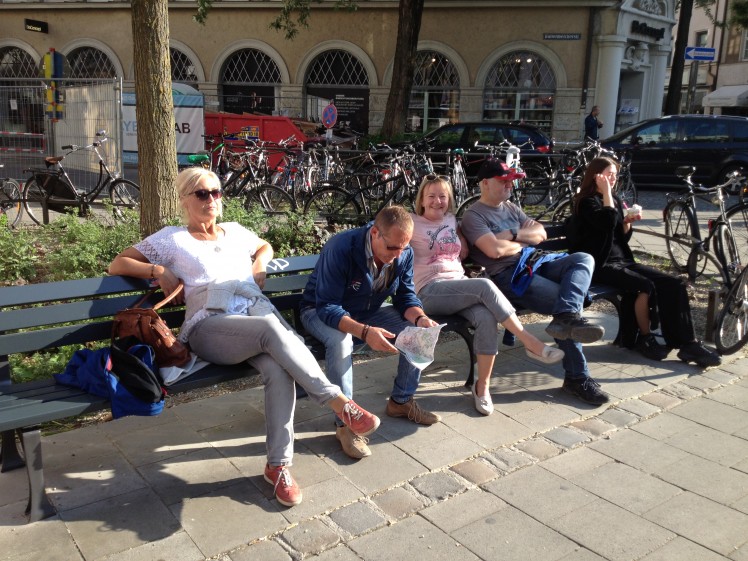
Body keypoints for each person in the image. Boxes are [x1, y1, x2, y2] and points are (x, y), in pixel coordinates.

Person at [108, 168, 380, 508]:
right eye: (202, 194)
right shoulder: (173, 238)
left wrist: (260, 264)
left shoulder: (235, 231)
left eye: (216, 192)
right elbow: (118, 263)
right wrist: (159, 269)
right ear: (185, 200)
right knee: (270, 330)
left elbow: (264, 246)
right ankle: (338, 402)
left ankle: (277, 466)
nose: (211, 199)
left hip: (254, 319)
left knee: (279, 371)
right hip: (210, 327)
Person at [410, 175, 564, 416]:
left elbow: (464, 248)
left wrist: (461, 239)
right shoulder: (411, 222)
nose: (437, 201)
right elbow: (386, 234)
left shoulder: (451, 220)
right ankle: (530, 342)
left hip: (459, 287)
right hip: (430, 290)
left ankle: (481, 387)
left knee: (486, 317)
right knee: (484, 286)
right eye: (431, 196)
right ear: (421, 199)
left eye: (442, 196)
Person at [460, 158, 610, 406]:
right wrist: (522, 240)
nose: (510, 185)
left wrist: (512, 235)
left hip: (536, 262)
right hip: (510, 276)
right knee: (564, 303)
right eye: (503, 180)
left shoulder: (510, 207)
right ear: (485, 183)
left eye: (511, 181)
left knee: (583, 259)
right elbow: (494, 250)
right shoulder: (473, 216)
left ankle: (567, 319)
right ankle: (577, 377)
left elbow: (540, 233)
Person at [300, 206, 441, 460]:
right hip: (318, 312)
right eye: (392, 248)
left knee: (417, 335)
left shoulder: (403, 253)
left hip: (367, 312)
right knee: (341, 342)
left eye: (403, 247)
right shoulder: (341, 248)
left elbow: (405, 296)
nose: (397, 255)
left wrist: (420, 319)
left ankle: (401, 401)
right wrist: (365, 332)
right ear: (375, 233)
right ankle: (346, 424)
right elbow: (327, 306)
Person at [569, 156, 721, 367]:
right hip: (599, 265)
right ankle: (645, 337)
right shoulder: (586, 202)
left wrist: (627, 223)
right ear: (595, 176)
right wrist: (607, 195)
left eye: (615, 175)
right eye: (608, 174)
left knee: (673, 284)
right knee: (645, 286)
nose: (613, 178)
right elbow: (606, 222)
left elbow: (618, 236)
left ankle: (688, 344)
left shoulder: (612, 199)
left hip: (622, 260)